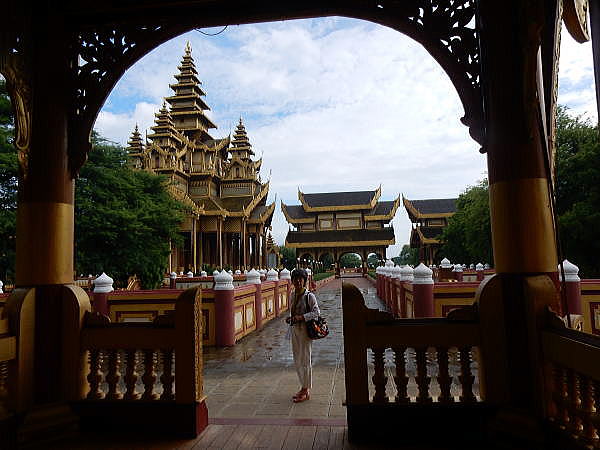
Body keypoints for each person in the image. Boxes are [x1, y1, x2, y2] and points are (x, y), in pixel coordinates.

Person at [286, 268, 320, 403]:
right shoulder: (292, 295)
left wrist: (301, 317)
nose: (298, 281)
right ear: (292, 281)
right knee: (297, 359)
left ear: (305, 281)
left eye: (301, 279)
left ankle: (306, 390)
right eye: (295, 279)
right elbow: (292, 311)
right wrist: (291, 318)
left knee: (305, 359)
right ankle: (303, 386)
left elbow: (316, 313)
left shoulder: (309, 296)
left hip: (305, 331)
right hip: (295, 330)